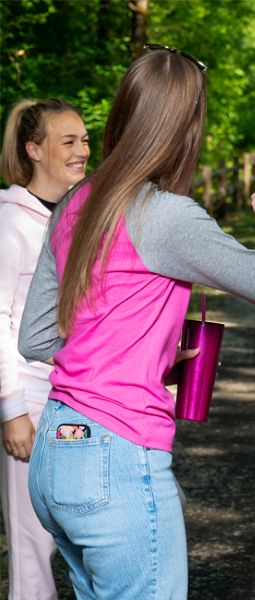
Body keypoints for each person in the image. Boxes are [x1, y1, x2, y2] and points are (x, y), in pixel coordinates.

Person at [18, 45, 255, 599]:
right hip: (115, 454)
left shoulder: (76, 202)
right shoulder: (165, 216)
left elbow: (37, 336)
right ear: (186, 128)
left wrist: (136, 359)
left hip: (58, 448)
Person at [0, 98, 90, 600]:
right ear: (34, 150)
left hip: (78, 400)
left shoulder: (80, 216)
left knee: (90, 531)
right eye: (68, 141)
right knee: (32, 549)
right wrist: (12, 412)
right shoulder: (10, 221)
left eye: (84, 140)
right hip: (31, 408)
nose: (82, 150)